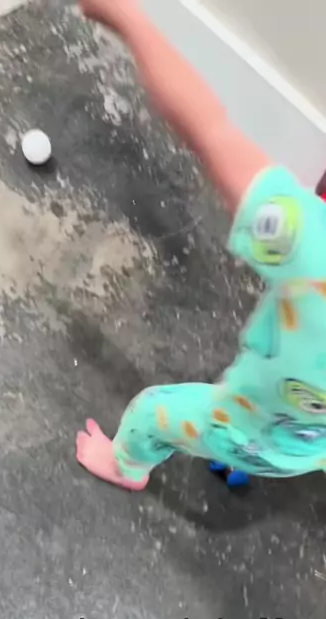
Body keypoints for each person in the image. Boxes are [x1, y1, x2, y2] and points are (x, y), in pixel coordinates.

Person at [75, 0, 326, 490]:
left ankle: (125, 467)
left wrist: (129, 19)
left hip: (237, 428)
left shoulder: (308, 244)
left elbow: (209, 129)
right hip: (310, 451)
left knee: (151, 412)